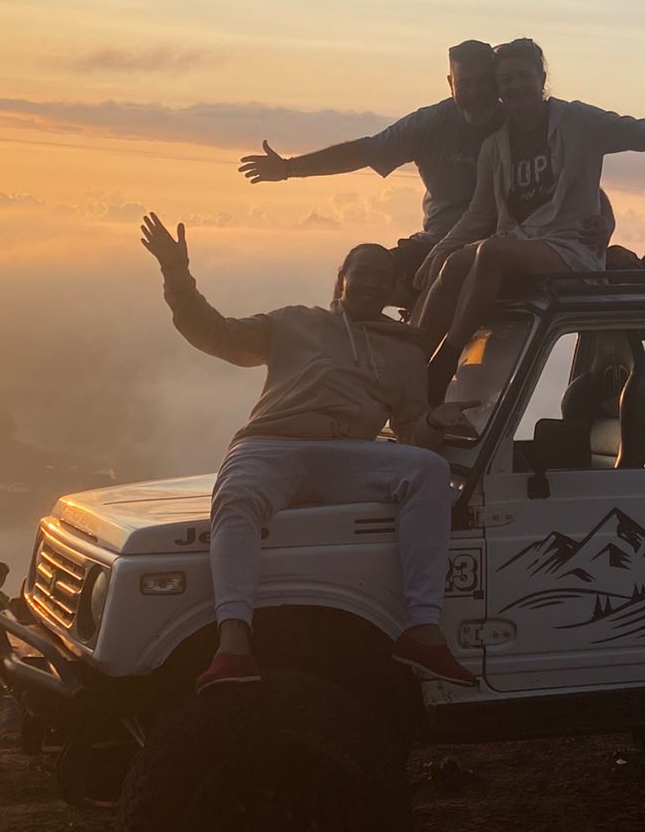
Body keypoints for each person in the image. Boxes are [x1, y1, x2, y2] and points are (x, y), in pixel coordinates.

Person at [140, 213, 479, 692]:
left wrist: (435, 423)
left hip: (347, 455)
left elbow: (410, 434)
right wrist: (176, 273)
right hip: (270, 444)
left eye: (382, 277)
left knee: (427, 468)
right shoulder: (293, 322)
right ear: (342, 280)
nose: (371, 282)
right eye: (362, 273)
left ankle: (423, 629)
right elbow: (216, 334)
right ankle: (233, 641)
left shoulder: (406, 353)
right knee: (236, 498)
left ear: (394, 288)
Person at [414, 39, 645, 398]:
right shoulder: (495, 145)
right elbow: (479, 214)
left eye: (524, 76)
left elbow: (643, 132)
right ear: (498, 89)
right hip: (519, 244)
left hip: (570, 249)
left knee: (490, 252)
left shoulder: (578, 122)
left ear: (541, 78)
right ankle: (411, 357)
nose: (516, 86)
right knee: (453, 265)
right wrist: (439, 251)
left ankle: (446, 358)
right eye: (506, 80)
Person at [238, 40, 612, 302]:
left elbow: (571, 178)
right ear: (450, 84)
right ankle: (356, 366)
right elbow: (366, 151)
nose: (475, 93)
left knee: (618, 269)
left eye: (483, 83)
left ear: (497, 85)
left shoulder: (519, 123)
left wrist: (605, 220)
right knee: (361, 272)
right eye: (464, 83)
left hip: (507, 244)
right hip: (436, 240)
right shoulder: (430, 124)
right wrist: (288, 169)